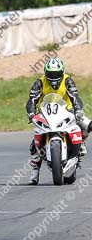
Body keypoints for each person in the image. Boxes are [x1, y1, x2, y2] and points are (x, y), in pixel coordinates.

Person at [26, 57, 91, 185]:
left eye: (56, 74)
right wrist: (31, 113)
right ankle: (34, 172)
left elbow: (75, 96)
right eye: (51, 74)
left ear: (62, 72)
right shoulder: (39, 82)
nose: (54, 77)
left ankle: (82, 142)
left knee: (88, 125)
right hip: (45, 113)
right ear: (45, 72)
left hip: (67, 111)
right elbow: (32, 99)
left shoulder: (68, 80)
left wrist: (78, 111)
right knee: (35, 142)